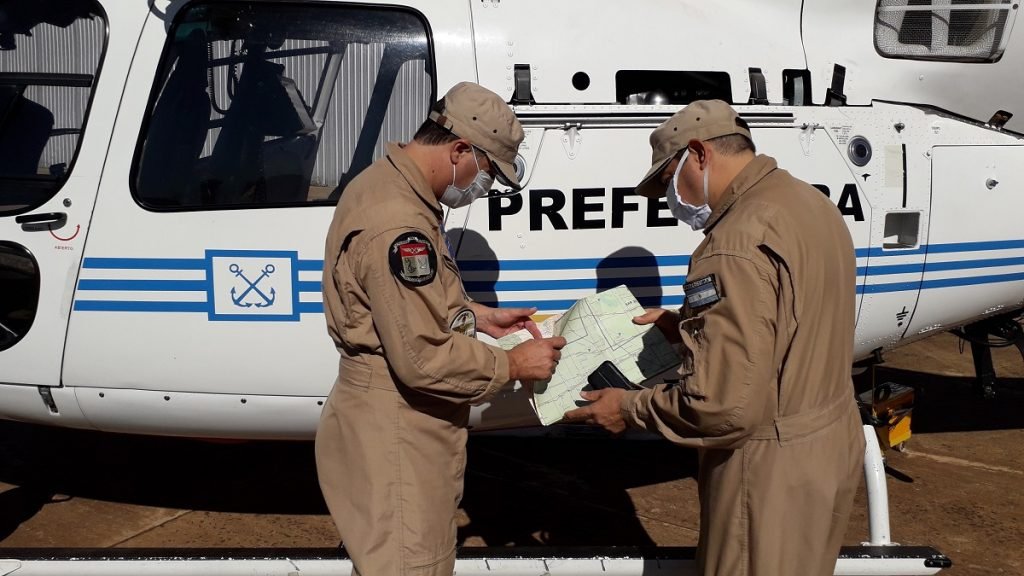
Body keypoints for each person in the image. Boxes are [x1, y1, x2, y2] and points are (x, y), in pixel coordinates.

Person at [564, 100, 865, 576]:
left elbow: (723, 407)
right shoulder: (809, 203)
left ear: (699, 154)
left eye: (669, 180)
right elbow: (789, 321)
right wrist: (688, 325)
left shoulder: (733, 243)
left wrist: (628, 408)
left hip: (766, 473)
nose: (670, 198)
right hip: (827, 445)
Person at [316, 82, 566, 576]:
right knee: (412, 566)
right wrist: (513, 364)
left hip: (390, 421)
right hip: (399, 430)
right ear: (459, 150)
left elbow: (398, 306)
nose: (484, 187)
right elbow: (422, 357)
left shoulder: (386, 184)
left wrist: (478, 316)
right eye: (488, 172)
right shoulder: (398, 222)